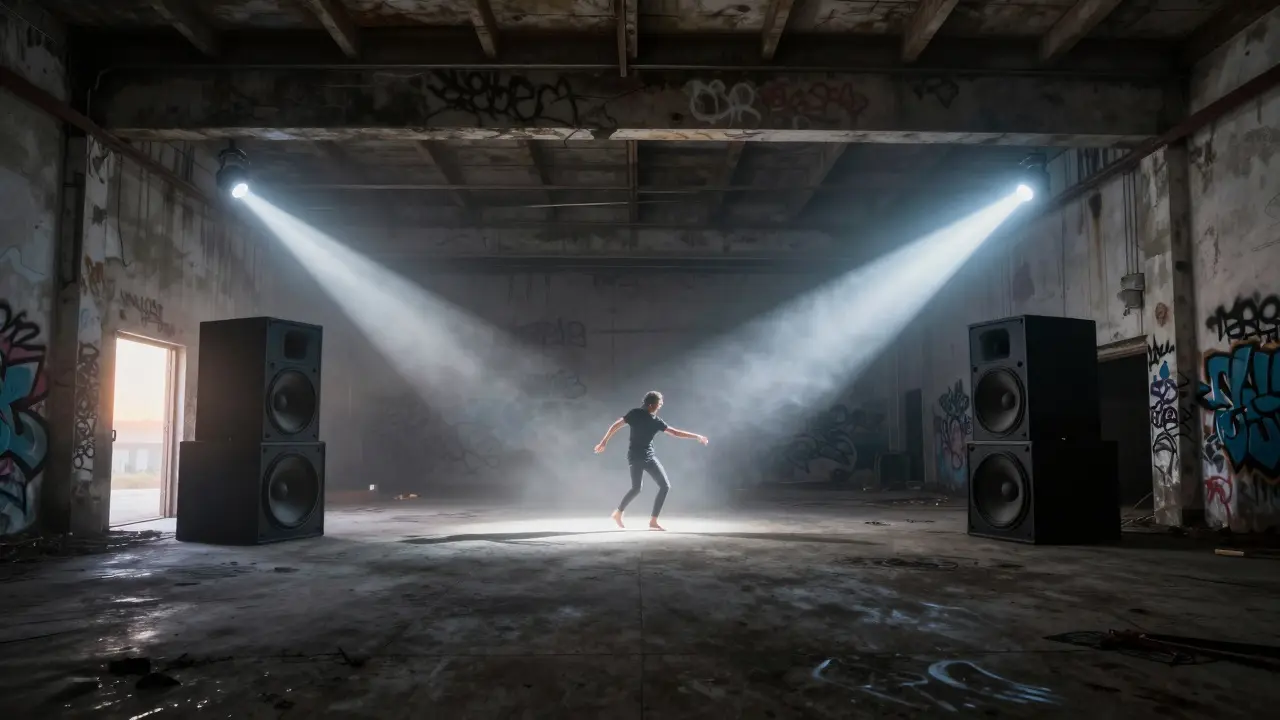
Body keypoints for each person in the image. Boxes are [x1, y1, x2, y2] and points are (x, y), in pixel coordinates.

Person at [594, 390, 708, 531]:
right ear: (650, 405)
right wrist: (604, 441)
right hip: (636, 456)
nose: (660, 406)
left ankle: (653, 521)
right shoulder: (635, 414)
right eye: (658, 404)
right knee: (636, 488)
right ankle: (618, 513)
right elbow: (616, 425)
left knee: (664, 486)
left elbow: (675, 432)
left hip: (649, 456)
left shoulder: (655, 421)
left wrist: (696, 436)